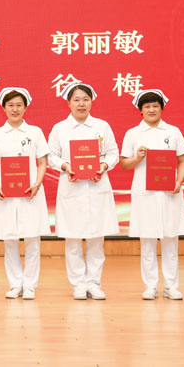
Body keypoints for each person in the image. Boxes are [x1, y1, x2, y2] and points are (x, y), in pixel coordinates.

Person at [48, 82, 120, 300]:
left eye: (85, 100)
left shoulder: (102, 126)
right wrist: (65, 166)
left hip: (97, 187)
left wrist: (103, 165)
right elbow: (51, 156)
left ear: (91, 101)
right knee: (73, 239)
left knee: (96, 239)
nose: (81, 104)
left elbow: (113, 153)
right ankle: (78, 284)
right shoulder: (60, 128)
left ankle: (94, 283)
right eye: (76, 100)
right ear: (69, 103)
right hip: (71, 187)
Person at [120, 89, 184, 300]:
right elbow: (124, 164)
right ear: (140, 110)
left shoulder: (173, 131)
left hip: (169, 194)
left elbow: (183, 160)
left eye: (155, 106)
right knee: (147, 241)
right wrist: (137, 158)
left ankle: (171, 286)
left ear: (161, 108)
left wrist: (178, 181)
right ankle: (150, 286)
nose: (151, 110)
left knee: (170, 241)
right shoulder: (133, 133)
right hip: (145, 194)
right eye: (147, 106)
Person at [0, 87, 51, 300]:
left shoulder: (35, 132)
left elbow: (42, 162)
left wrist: (37, 184)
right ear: (3, 108)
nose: (15, 109)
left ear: (25, 107)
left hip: (31, 193)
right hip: (5, 195)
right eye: (10, 105)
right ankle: (15, 285)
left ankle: (29, 285)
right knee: (9, 239)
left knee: (32, 239)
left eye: (19, 105)